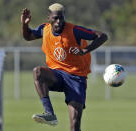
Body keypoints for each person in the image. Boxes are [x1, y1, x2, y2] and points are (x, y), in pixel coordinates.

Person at [21, 3, 108, 131]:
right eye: (55, 18)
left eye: (61, 18)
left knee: (74, 125)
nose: (59, 21)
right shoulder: (44, 30)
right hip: (58, 75)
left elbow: (102, 36)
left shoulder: (74, 31)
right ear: (49, 18)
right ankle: (49, 114)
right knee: (38, 72)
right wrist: (24, 24)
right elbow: (28, 36)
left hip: (76, 78)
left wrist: (84, 50)